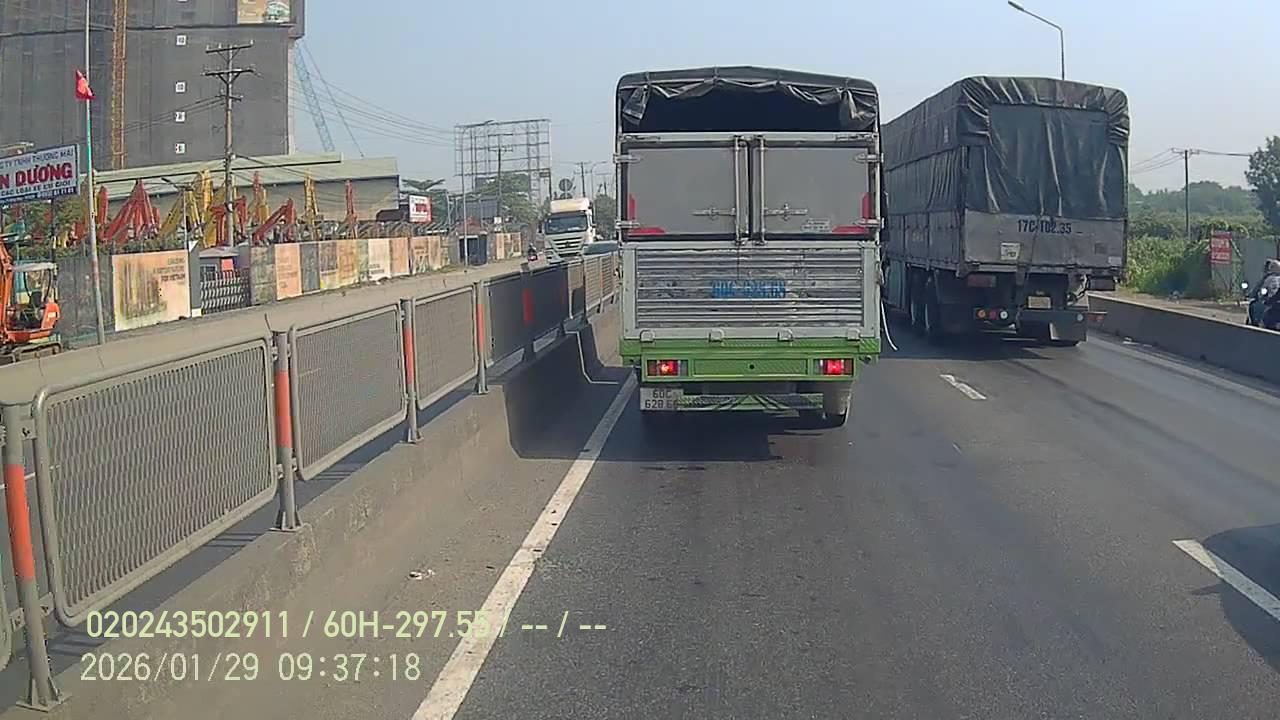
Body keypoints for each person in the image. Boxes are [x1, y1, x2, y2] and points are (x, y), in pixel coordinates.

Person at [1248, 258, 1280, 325]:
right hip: (1271, 300)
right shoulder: (1267, 277)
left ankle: (1259, 324)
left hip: (1272, 302)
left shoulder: (1267, 278)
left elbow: (1257, 289)